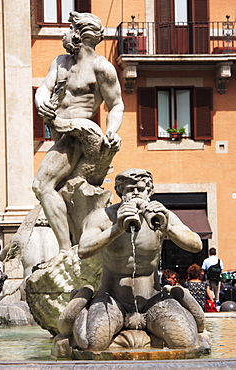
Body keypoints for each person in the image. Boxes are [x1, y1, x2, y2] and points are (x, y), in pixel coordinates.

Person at [58, 169, 203, 350]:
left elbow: (196, 244)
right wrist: (117, 228)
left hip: (152, 299)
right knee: (93, 343)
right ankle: (83, 305)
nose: (136, 193)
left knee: (184, 341)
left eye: (141, 189)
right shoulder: (103, 217)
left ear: (149, 192)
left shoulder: (161, 214)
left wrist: (167, 229)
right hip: (112, 299)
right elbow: (83, 250)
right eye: (129, 189)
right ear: (120, 192)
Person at [32, 11, 124, 252]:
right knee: (60, 191)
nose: (66, 32)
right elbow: (43, 88)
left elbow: (116, 105)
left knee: (42, 185)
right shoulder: (61, 62)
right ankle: (75, 242)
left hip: (80, 135)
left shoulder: (101, 67)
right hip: (60, 132)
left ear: (80, 34)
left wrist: (111, 131)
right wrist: (41, 100)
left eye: (70, 27)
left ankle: (65, 250)